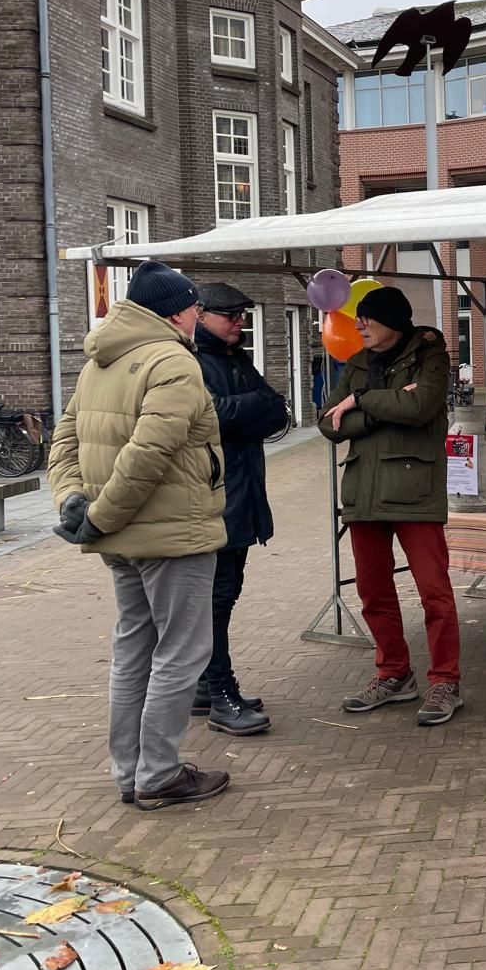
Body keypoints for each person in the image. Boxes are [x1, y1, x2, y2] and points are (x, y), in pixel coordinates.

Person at [47, 261, 230, 810]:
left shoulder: (101, 359)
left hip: (120, 538)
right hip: (170, 535)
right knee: (181, 652)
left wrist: (75, 502)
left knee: (133, 650)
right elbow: (150, 453)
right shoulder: (172, 359)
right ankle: (159, 775)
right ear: (175, 311)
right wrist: (100, 515)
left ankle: (130, 773)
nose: (201, 314)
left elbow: (63, 443)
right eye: (197, 306)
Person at [318, 287, 462, 726]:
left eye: (366, 319)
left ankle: (446, 681)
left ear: (390, 322)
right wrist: (385, 407)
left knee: (434, 593)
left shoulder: (430, 355)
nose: (358, 326)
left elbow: (420, 406)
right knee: (373, 593)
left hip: (414, 489)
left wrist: (359, 401)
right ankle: (394, 675)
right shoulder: (358, 362)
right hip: (363, 492)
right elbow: (328, 423)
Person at [191, 282, 288, 736]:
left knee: (224, 595)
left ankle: (204, 687)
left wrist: (246, 412)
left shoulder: (236, 358)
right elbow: (207, 417)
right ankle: (219, 692)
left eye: (242, 314)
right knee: (215, 597)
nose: (240, 322)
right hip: (213, 500)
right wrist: (252, 409)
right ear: (201, 313)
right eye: (230, 315)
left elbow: (278, 412)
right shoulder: (190, 361)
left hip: (242, 495)